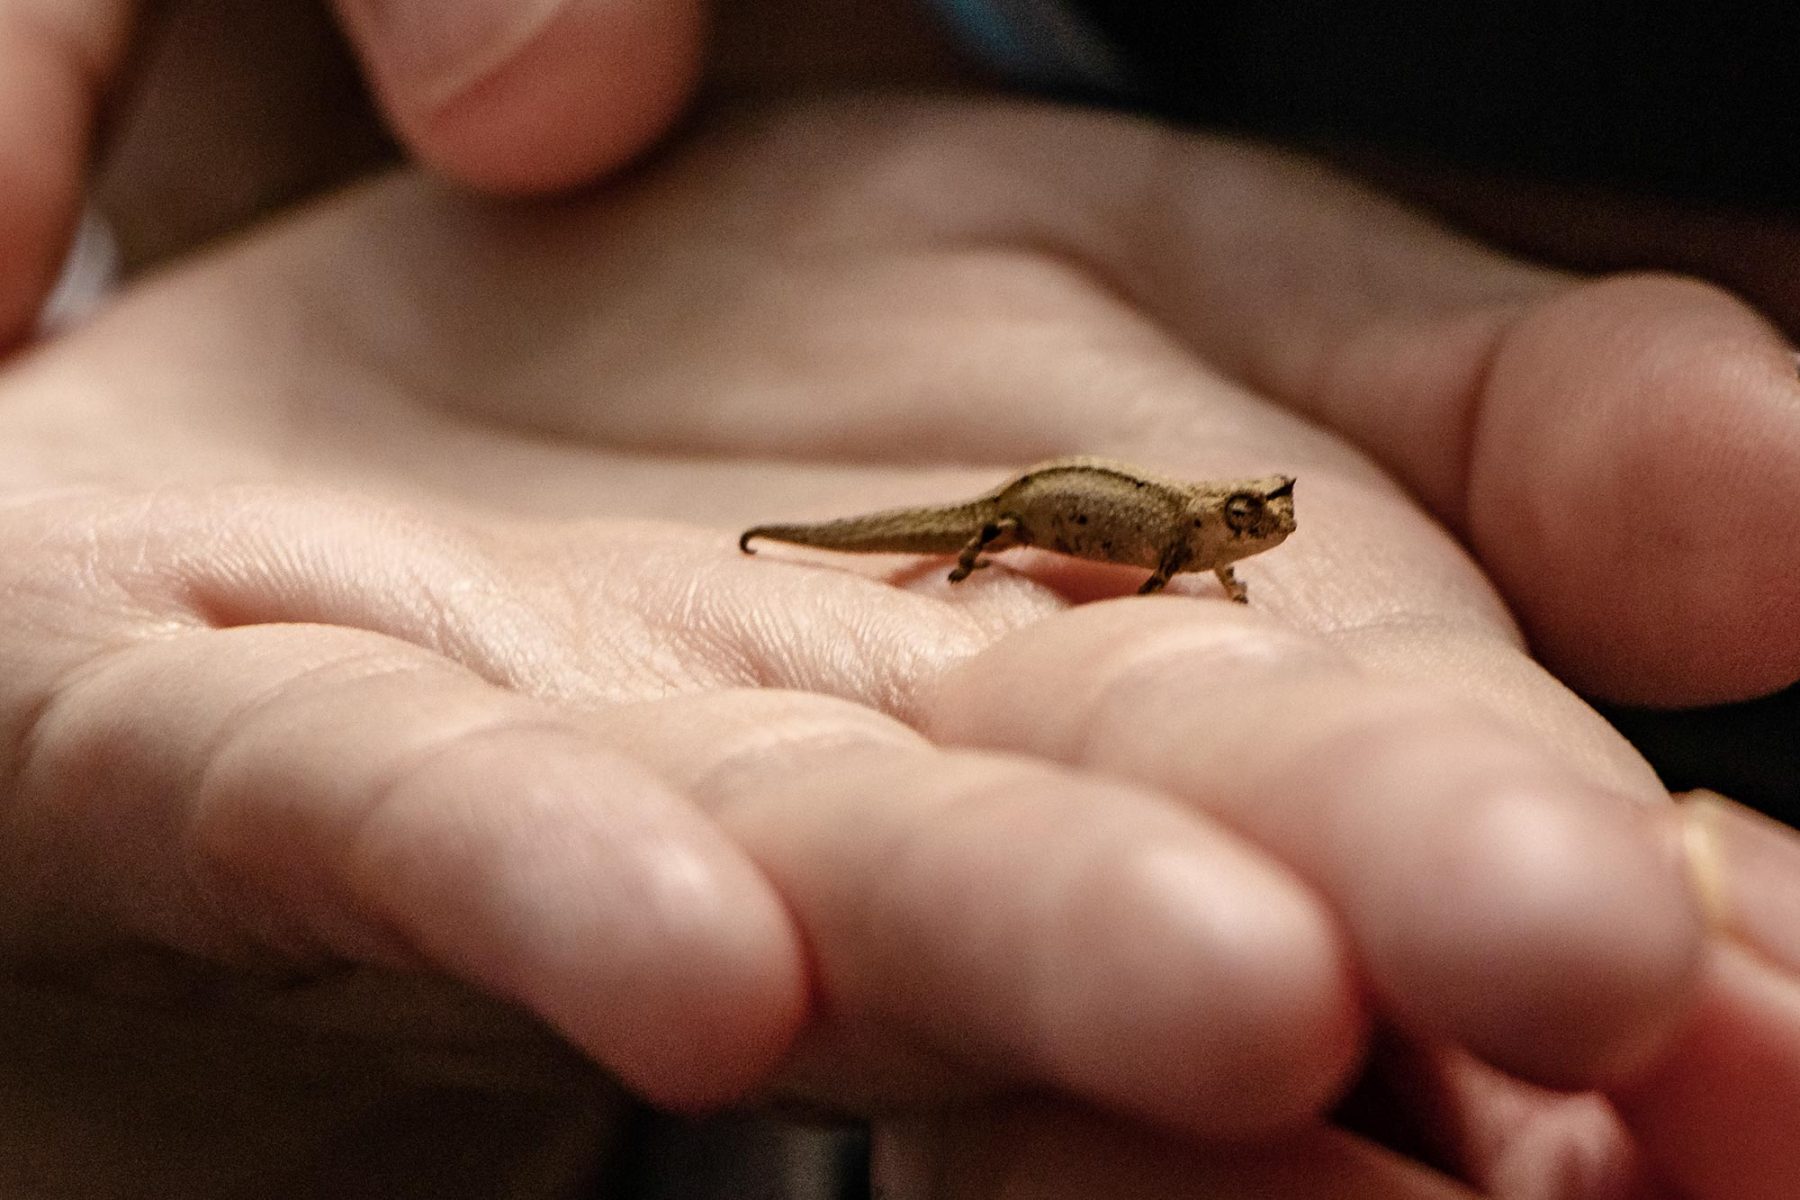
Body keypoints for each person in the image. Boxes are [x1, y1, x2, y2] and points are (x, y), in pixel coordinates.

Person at [1, 2, 1798, 1197]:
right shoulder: (1168, 534)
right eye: (1245, 523)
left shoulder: (1196, 541)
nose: (1245, 537)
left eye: (1247, 533)